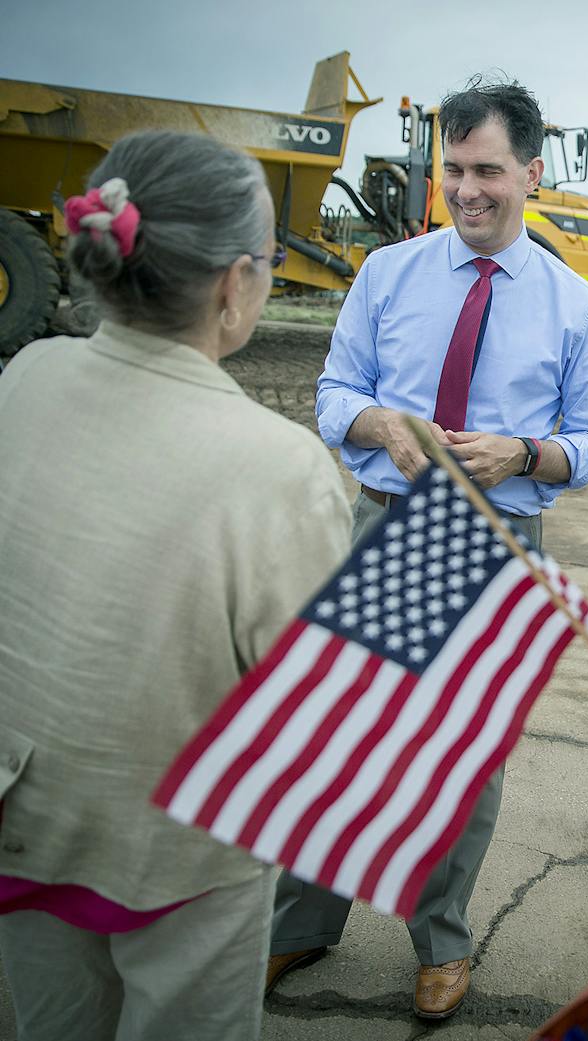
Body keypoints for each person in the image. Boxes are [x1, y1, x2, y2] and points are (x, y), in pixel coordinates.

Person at [271, 78, 588, 1018]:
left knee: (465, 748)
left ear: (531, 174)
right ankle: (301, 923)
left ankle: (443, 940)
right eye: (453, 170)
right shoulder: (387, 274)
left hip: (499, 533)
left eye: (488, 171)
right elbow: (334, 391)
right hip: (389, 519)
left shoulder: (577, 303)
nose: (467, 190)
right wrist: (379, 421)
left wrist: (527, 451)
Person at [0, 131, 350, 1041]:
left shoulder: (25, 376)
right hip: (181, 852)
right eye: (272, 257)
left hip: (27, 816)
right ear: (236, 282)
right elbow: (312, 699)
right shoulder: (278, 463)